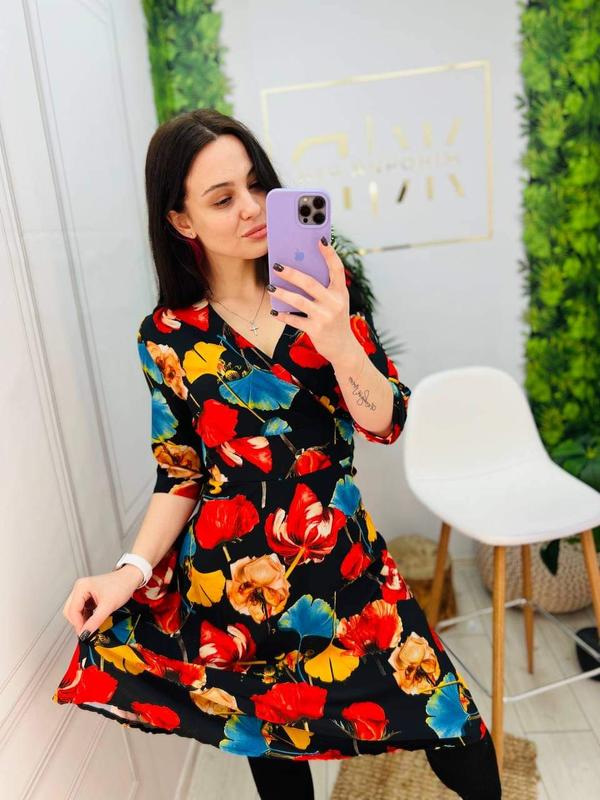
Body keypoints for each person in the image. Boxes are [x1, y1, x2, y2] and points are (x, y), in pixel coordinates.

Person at [53, 108, 501, 799]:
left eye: (258, 185)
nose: (253, 208)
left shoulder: (324, 289)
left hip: (345, 567)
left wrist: (339, 339)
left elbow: (385, 422)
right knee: (273, 748)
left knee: (453, 726)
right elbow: (179, 473)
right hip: (237, 585)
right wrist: (129, 572)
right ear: (181, 221)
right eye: (222, 198)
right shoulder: (166, 336)